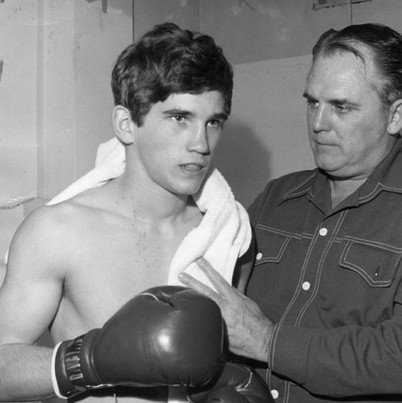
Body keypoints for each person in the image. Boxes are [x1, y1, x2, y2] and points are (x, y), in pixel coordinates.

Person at [179, 23, 402, 402]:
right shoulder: (277, 196)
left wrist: (269, 342)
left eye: (341, 106)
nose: (318, 124)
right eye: (312, 102)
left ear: (395, 116)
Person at [0, 22, 272, 403]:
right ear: (127, 124)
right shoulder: (58, 232)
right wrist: (89, 361)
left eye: (213, 122)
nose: (201, 143)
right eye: (180, 118)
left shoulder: (228, 237)